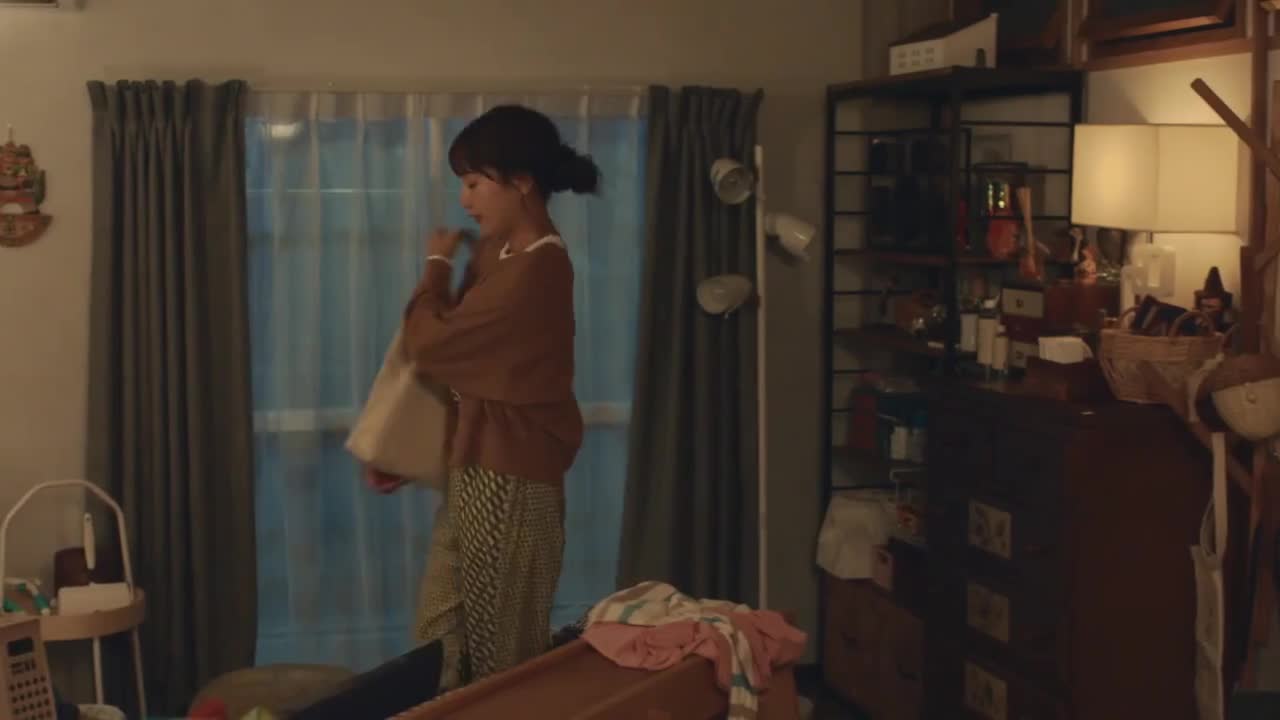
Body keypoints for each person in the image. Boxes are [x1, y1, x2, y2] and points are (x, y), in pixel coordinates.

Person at [364, 104, 597, 690]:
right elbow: (458, 358)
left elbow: (432, 343)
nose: (465, 200)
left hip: (511, 475)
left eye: (474, 183)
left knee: (502, 649)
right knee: (439, 630)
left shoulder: (537, 268)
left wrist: (435, 267)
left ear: (521, 182)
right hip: (476, 463)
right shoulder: (502, 254)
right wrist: (405, 448)